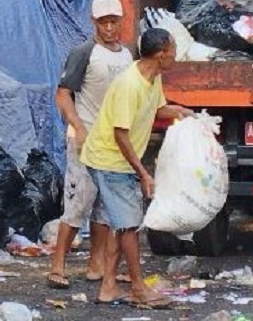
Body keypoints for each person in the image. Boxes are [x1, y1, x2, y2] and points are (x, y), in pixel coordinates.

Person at [80, 27, 195, 308]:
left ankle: (108, 287)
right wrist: (143, 173)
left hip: (118, 160)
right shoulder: (129, 85)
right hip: (109, 159)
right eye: (172, 51)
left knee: (122, 224)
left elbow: (156, 109)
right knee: (130, 225)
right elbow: (120, 133)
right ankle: (139, 288)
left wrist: (180, 111)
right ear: (160, 54)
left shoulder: (152, 77)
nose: (175, 56)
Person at [45, 0, 135, 290]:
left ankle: (96, 265)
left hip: (114, 142)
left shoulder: (126, 56)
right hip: (85, 140)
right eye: (103, 22)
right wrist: (78, 127)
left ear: (121, 21)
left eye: (113, 21)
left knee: (105, 208)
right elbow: (63, 94)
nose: (109, 28)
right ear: (94, 22)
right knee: (78, 202)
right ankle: (57, 264)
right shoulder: (84, 52)